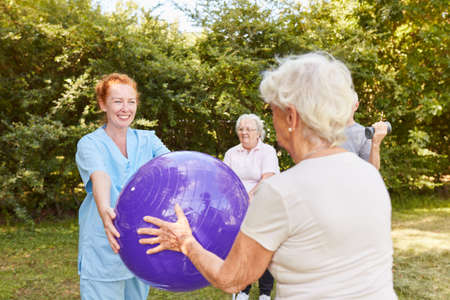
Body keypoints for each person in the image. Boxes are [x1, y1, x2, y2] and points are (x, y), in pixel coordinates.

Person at [137, 52, 397, 299]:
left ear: (291, 116)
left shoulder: (281, 191)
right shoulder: (369, 175)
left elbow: (232, 279)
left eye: (273, 111)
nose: (272, 121)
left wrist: (185, 241)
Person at [75, 73, 170, 300]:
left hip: (139, 245)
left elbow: (173, 169)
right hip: (103, 247)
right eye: (117, 101)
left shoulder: (149, 140)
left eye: (131, 101)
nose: (125, 108)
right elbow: (101, 176)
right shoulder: (90, 144)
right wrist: (105, 208)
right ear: (103, 104)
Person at [224, 113, 279, 300]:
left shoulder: (267, 152)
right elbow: (225, 180)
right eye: (241, 129)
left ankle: (264, 292)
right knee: (242, 249)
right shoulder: (231, 153)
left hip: (263, 205)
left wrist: (249, 196)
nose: (244, 132)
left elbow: (268, 178)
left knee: (263, 248)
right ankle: (243, 289)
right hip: (237, 208)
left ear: (258, 133)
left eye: (249, 129)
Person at [341, 98, 389, 170]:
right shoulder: (324, 129)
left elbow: (373, 170)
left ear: (356, 105)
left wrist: (376, 143)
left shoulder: (363, 134)